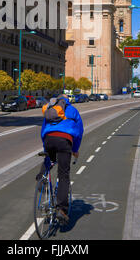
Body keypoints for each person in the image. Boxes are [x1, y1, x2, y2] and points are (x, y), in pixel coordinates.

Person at [36, 93, 84, 223]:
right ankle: (61, 209)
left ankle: (42, 177)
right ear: (67, 101)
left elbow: (43, 130)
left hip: (48, 139)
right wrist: (75, 150)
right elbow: (79, 132)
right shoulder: (73, 110)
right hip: (64, 141)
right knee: (63, 175)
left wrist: (46, 148)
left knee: (49, 160)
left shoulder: (50, 109)